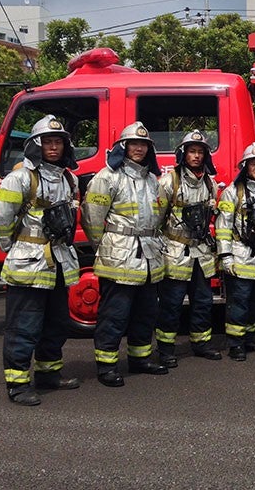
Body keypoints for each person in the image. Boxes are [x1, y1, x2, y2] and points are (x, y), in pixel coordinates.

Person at [0, 115, 81, 406]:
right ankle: (17, 384)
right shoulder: (20, 178)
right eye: (48, 142)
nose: (54, 147)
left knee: (57, 324)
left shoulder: (69, 178)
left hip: (60, 263)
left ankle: (49, 374)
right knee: (24, 326)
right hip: (29, 265)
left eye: (58, 142)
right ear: (36, 146)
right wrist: (15, 248)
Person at [81, 122, 169, 387]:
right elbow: (92, 219)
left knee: (146, 313)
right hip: (118, 258)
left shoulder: (153, 180)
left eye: (143, 145)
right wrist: (105, 249)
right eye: (134, 144)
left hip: (149, 258)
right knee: (114, 315)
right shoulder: (107, 177)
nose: (139, 148)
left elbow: (160, 214)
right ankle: (106, 366)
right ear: (124, 147)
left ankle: (140, 359)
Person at [156, 130, 222, 364]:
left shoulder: (210, 183)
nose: (196, 156)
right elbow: (157, 220)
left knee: (203, 301)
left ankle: (201, 343)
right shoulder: (168, 181)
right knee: (171, 304)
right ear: (183, 154)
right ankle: (165, 349)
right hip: (175, 251)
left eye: (200, 152)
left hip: (201, 252)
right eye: (192, 151)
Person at [216, 142, 255, 361]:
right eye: (254, 163)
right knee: (239, 301)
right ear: (245, 166)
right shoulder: (232, 192)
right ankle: (236, 344)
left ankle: (249, 338)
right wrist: (225, 256)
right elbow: (223, 226)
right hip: (240, 255)